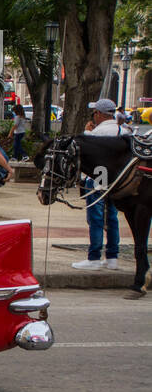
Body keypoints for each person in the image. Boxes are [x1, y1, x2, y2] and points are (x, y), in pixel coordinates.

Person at [72, 98, 122, 271]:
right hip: (116, 180)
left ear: (100, 114)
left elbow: (85, 154)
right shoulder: (122, 130)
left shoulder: (95, 134)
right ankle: (112, 256)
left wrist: (87, 133)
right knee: (112, 218)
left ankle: (94, 257)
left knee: (96, 218)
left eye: (94, 113)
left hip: (98, 178)